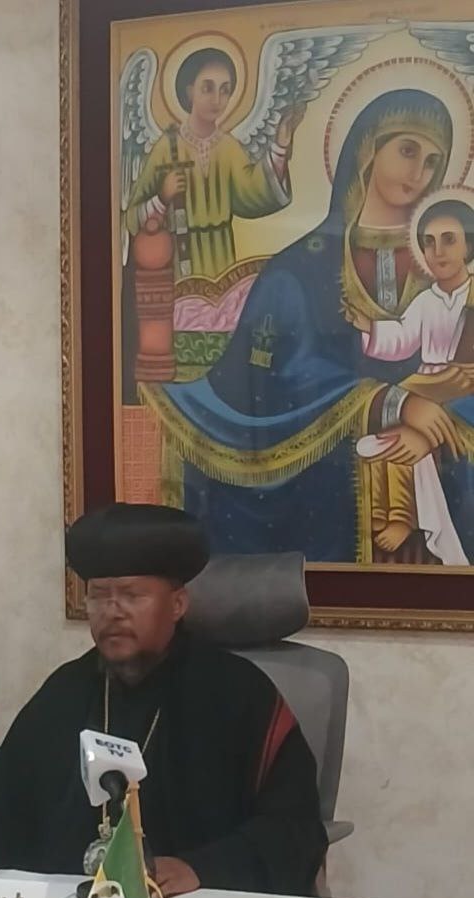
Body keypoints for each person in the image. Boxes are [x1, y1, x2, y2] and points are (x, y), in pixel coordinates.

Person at [0, 503, 327, 897]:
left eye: (132, 595)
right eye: (99, 596)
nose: (113, 612)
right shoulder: (65, 692)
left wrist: (201, 869)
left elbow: (294, 829)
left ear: (177, 604)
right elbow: (5, 792)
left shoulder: (240, 694)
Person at [143, 88, 474, 564]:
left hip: (440, 456)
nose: (419, 171)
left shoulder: (449, 273)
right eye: (407, 149)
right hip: (333, 480)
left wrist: (429, 427)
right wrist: (394, 403)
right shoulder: (300, 266)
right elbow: (283, 375)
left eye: (432, 161)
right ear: (367, 148)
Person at [349, 198, 474, 559]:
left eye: (449, 239)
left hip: (461, 384)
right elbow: (402, 337)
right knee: (384, 428)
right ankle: (383, 512)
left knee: (410, 439)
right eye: (429, 242)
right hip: (428, 380)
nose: (438, 251)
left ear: (468, 245)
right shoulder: (425, 300)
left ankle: (404, 517)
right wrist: (369, 328)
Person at [125, 47, 303, 281]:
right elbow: (131, 219)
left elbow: (253, 193)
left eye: (225, 90)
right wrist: (162, 197)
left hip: (222, 259)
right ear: (190, 92)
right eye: (207, 88)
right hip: (180, 262)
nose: (217, 99)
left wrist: (280, 144)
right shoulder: (166, 148)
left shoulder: (228, 147)